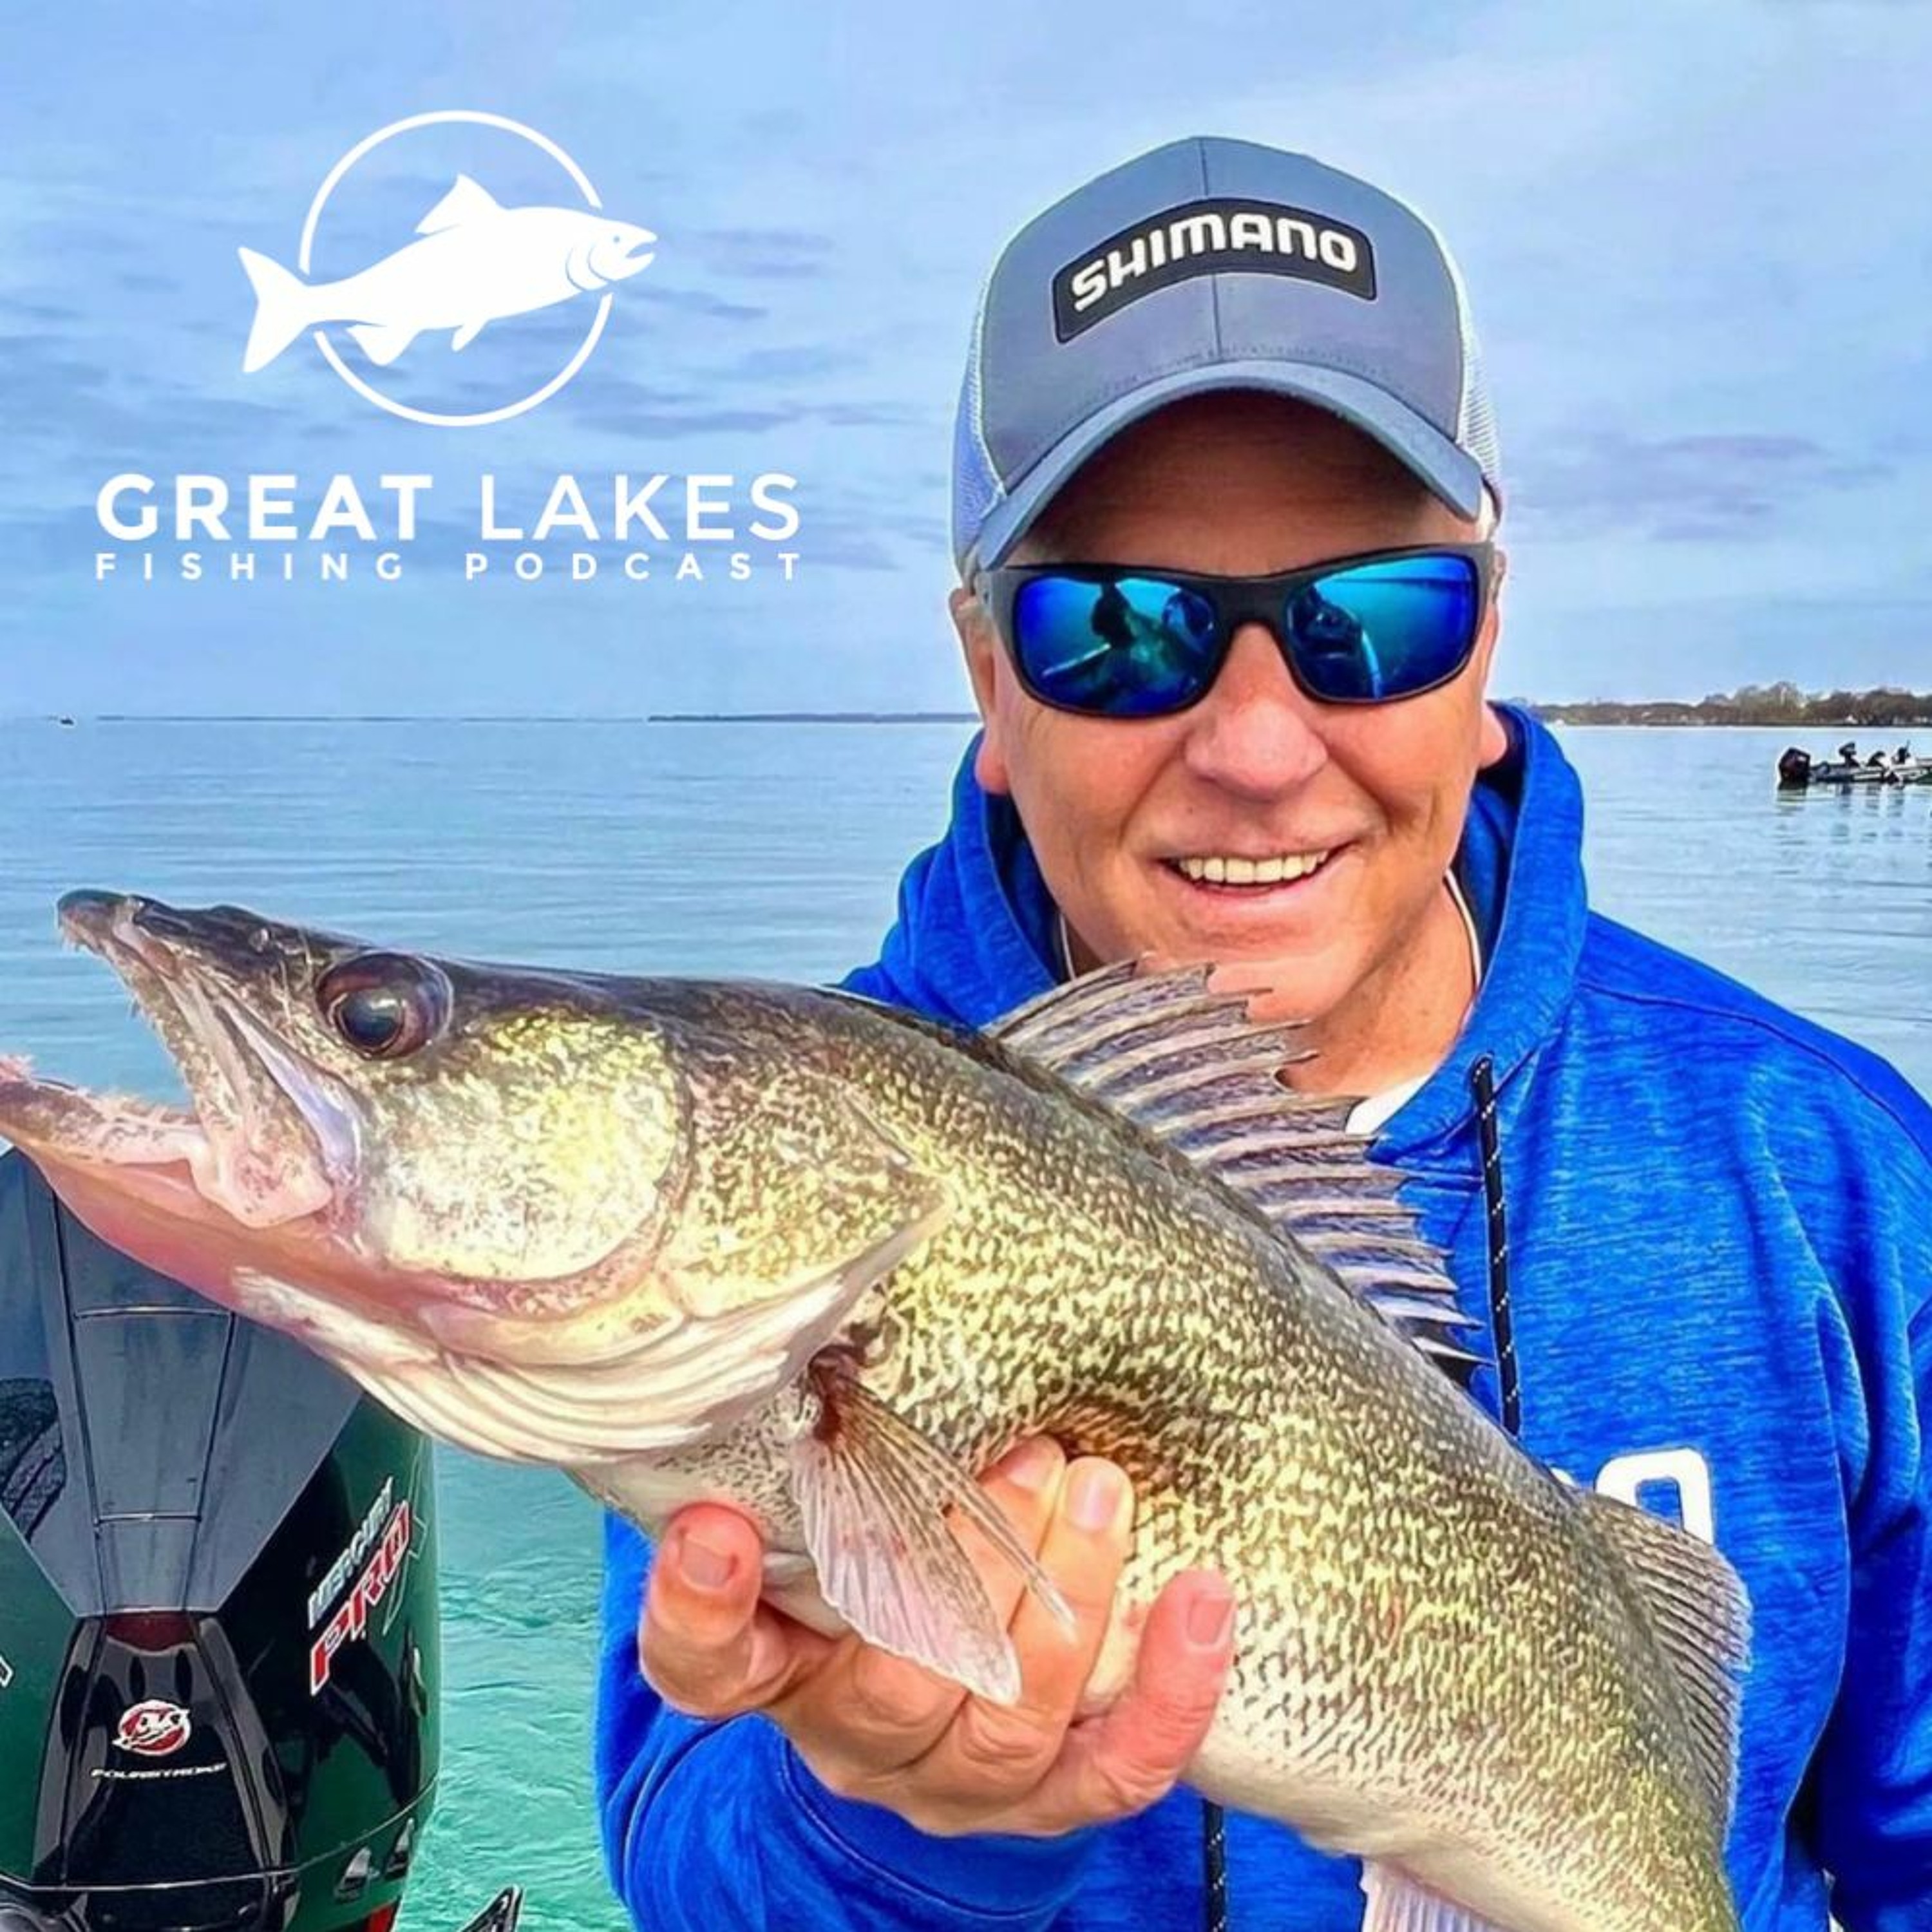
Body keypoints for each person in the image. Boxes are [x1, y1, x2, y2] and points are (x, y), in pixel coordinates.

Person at [594, 138, 1932, 1930]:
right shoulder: (815, 1162)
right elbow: (696, 1881)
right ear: (992, 676)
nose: (1253, 742)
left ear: (1484, 647)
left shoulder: (1819, 1159)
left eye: (1367, 621)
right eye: (1123, 630)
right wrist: (909, 1826)